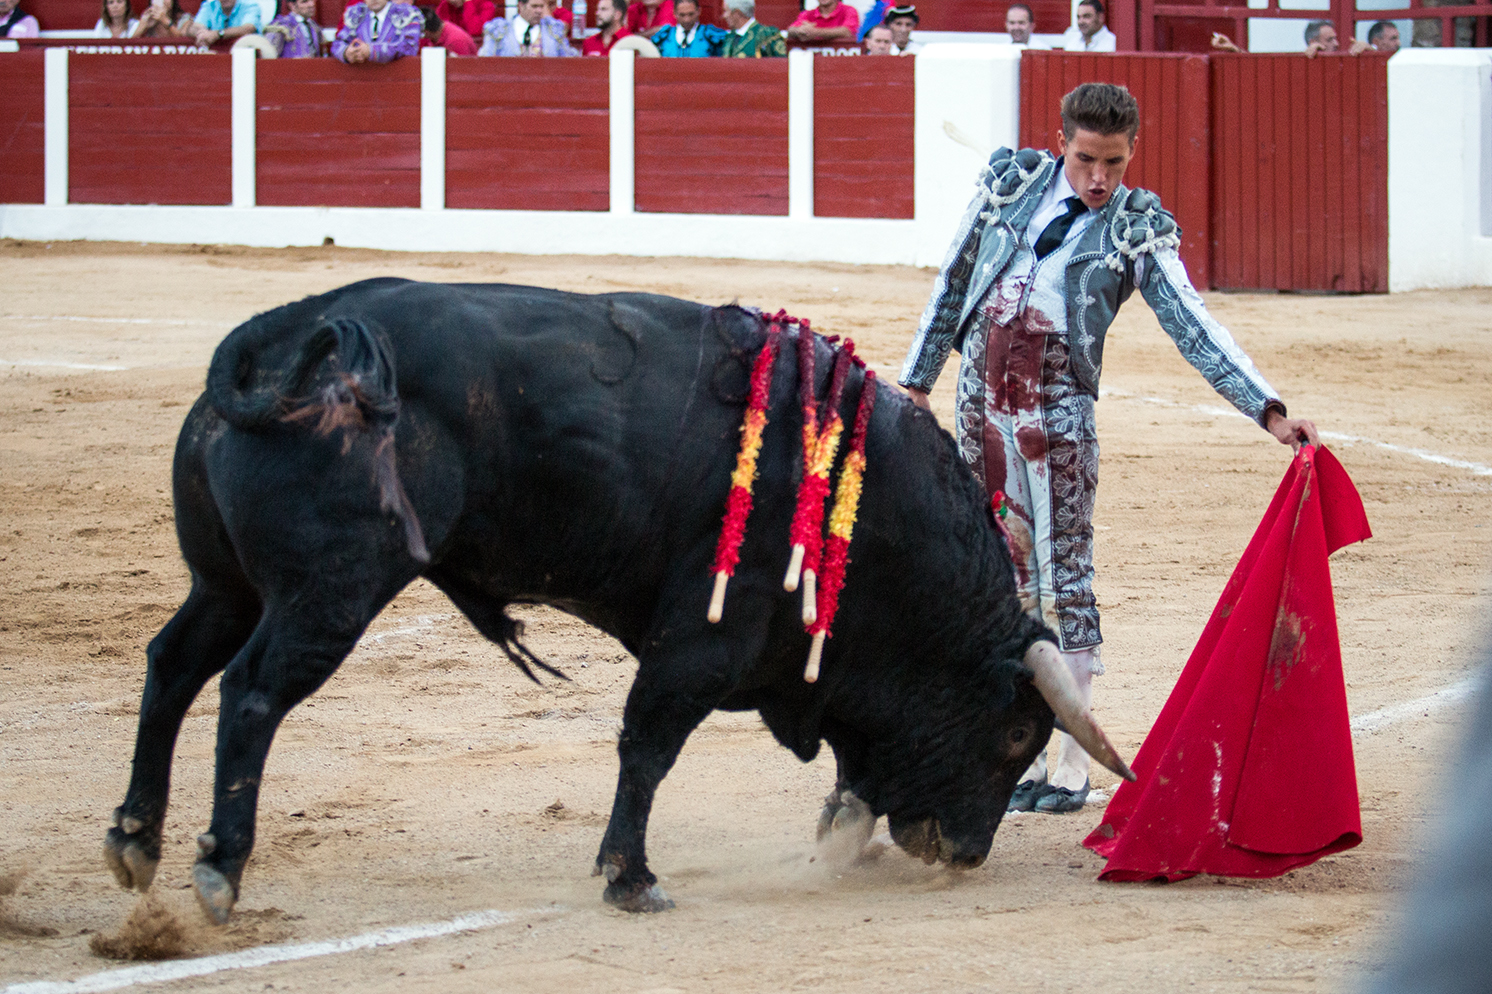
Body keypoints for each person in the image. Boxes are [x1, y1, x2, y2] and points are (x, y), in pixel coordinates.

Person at [899, 82, 1318, 814]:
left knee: (1063, 577)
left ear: (1133, 153)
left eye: (1115, 164)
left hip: (1056, 418)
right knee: (1001, 576)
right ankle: (1018, 747)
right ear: (1063, 142)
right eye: (1088, 159)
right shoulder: (1012, 187)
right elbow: (955, 280)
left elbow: (1191, 322)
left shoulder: (1135, 227)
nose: (1100, 178)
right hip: (979, 407)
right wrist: (915, 381)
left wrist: (1268, 408)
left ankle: (1068, 759)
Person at [332, 0, 421, 61]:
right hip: (361, 79)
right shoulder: (356, 14)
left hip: (396, 79)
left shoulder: (407, 14)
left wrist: (371, 51)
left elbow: (409, 47)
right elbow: (337, 45)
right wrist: (347, 52)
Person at [479, 0, 576, 54]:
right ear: (521, 6)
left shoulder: (554, 31)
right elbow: (485, 62)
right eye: (534, 6)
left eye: (541, 6)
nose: (539, 11)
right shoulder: (499, 30)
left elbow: (568, 61)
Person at [651, 0, 722, 55]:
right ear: (674, 13)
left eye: (691, 14)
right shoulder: (662, 37)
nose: (687, 20)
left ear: (699, 11)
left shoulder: (711, 35)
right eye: (682, 15)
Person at [718, 0, 783, 56]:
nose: (724, 16)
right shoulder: (729, 37)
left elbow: (780, 65)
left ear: (737, 13)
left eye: (725, 11)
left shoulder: (767, 35)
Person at [193, 0, 263, 47]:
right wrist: (202, 34)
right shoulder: (209, 5)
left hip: (246, 54)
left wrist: (217, 34)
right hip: (216, 56)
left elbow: (248, 29)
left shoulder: (250, 6)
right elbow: (196, 26)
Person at [786, 0, 858, 44]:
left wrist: (815, 32)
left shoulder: (848, 10)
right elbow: (791, 30)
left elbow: (848, 31)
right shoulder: (808, 14)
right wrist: (799, 31)